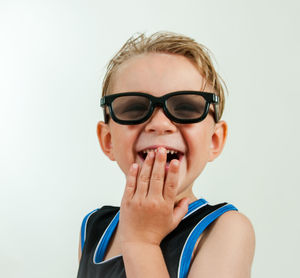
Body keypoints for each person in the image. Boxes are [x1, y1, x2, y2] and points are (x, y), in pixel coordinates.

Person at [77, 32, 255, 278]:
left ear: (215, 140)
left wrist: (142, 244)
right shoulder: (94, 228)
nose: (160, 123)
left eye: (186, 107)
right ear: (108, 140)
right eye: (134, 108)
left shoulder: (224, 229)